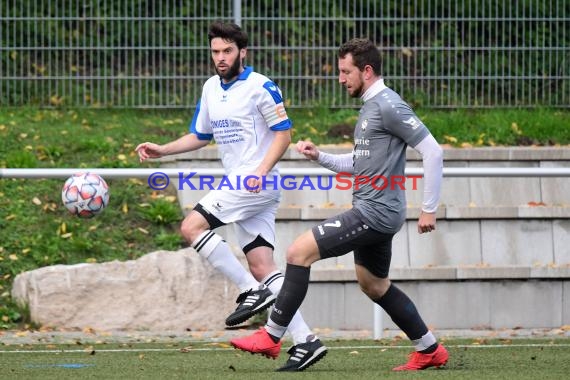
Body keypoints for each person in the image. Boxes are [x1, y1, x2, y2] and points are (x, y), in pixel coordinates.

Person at [230, 38, 448, 371]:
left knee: (297, 253)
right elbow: (358, 164)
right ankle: (429, 348)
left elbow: (434, 152)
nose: (341, 79)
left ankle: (272, 336)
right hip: (378, 212)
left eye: (346, 72)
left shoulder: (389, 105)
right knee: (373, 285)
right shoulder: (372, 108)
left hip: (375, 213)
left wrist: (429, 208)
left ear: (367, 71)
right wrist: (320, 157)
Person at [135, 21, 327, 371]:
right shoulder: (211, 88)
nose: (220, 58)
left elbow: (284, 135)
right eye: (215, 52)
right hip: (243, 187)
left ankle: (249, 292)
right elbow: (200, 135)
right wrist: (162, 150)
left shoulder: (261, 87)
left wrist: (260, 172)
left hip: (255, 183)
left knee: (191, 227)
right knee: (263, 267)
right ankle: (306, 340)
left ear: (243, 52)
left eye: (227, 51)